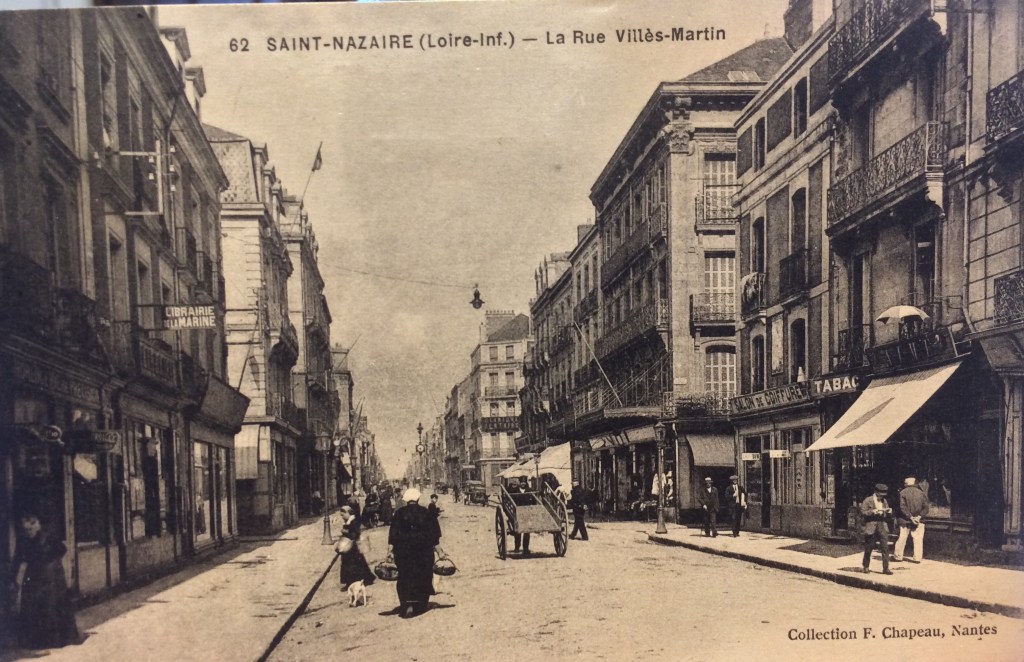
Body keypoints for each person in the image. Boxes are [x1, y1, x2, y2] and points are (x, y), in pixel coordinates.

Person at [9, 511, 81, 650]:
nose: (28, 533)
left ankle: (55, 639)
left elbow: (62, 549)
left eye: (30, 529)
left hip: (50, 576)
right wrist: (13, 577)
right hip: (33, 575)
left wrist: (52, 563)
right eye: (25, 530)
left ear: (37, 524)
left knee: (50, 606)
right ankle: (34, 641)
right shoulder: (23, 540)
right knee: (31, 606)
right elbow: (17, 558)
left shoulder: (48, 536)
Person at [388, 488, 442, 618]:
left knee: (404, 576)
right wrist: (440, 551)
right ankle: (420, 604)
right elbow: (434, 534)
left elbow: (393, 535)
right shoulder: (427, 513)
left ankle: (407, 603)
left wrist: (389, 551)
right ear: (418, 499)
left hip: (403, 552)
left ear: (406, 500)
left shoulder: (399, 513)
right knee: (423, 575)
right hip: (423, 552)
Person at [337, 505, 375, 590]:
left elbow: (355, 533)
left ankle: (352, 583)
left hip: (353, 547)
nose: (342, 517)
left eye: (343, 515)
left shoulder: (354, 521)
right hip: (349, 547)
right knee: (355, 565)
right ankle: (356, 581)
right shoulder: (348, 521)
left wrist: (345, 531)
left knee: (352, 566)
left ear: (348, 513)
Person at [894, 476, 929, 564]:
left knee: (902, 538)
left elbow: (902, 507)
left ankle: (898, 557)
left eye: (904, 483)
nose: (904, 484)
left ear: (907, 484)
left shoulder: (902, 493)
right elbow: (926, 508)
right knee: (918, 539)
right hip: (919, 520)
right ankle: (917, 558)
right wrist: (919, 517)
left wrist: (910, 517)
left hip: (905, 520)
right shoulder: (922, 493)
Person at [860, 483, 894, 575]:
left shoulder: (884, 501)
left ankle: (886, 568)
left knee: (885, 548)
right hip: (871, 525)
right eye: (880, 494)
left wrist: (889, 512)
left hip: (882, 525)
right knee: (869, 548)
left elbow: (887, 515)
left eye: (883, 494)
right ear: (876, 492)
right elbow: (862, 512)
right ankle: (866, 566)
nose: (882, 496)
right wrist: (873, 512)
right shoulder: (868, 500)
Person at [508, 479, 531, 554]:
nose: (523, 484)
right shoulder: (515, 490)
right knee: (518, 531)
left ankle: (526, 548)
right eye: (521, 482)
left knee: (527, 531)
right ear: (519, 483)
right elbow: (511, 497)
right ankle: (517, 547)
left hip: (527, 512)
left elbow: (533, 500)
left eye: (524, 482)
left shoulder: (529, 490)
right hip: (518, 511)